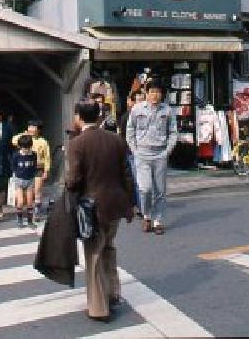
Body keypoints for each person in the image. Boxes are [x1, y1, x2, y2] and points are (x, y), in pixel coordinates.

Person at [66, 100, 134, 323]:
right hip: (115, 203)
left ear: (78, 117)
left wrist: (67, 188)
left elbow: (74, 178)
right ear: (98, 117)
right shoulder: (116, 140)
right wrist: (130, 203)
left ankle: (98, 307)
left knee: (93, 254)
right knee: (109, 248)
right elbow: (127, 175)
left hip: (91, 207)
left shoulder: (77, 144)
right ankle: (113, 293)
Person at [126, 81, 177, 236]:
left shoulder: (167, 111)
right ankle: (147, 216)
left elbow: (173, 132)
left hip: (160, 154)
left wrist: (167, 151)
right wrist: (134, 150)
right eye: (152, 91)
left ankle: (158, 221)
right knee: (145, 188)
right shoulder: (137, 109)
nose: (155, 95)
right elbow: (130, 130)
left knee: (160, 191)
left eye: (158, 92)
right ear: (146, 93)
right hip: (142, 154)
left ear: (162, 94)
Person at [11, 119, 51, 220]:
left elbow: (47, 157)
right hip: (25, 168)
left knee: (37, 190)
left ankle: (37, 211)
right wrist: (24, 134)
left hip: (38, 168)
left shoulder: (43, 142)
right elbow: (13, 140)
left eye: (34, 127)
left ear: (39, 129)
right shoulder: (25, 139)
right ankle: (27, 210)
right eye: (30, 127)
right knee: (27, 193)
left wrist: (46, 170)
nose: (31, 129)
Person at [119, 90, 145, 218]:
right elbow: (123, 136)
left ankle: (139, 204)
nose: (141, 102)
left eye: (142, 99)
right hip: (132, 152)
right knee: (138, 180)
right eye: (138, 100)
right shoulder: (126, 117)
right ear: (133, 102)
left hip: (146, 152)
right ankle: (141, 207)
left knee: (141, 181)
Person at [12, 134, 38, 228]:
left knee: (30, 201)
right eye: (24, 148)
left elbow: (35, 165)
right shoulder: (16, 155)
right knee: (20, 201)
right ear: (20, 147)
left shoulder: (33, 154)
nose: (26, 150)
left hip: (30, 180)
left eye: (28, 148)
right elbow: (14, 166)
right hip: (19, 180)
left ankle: (30, 221)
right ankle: (19, 220)